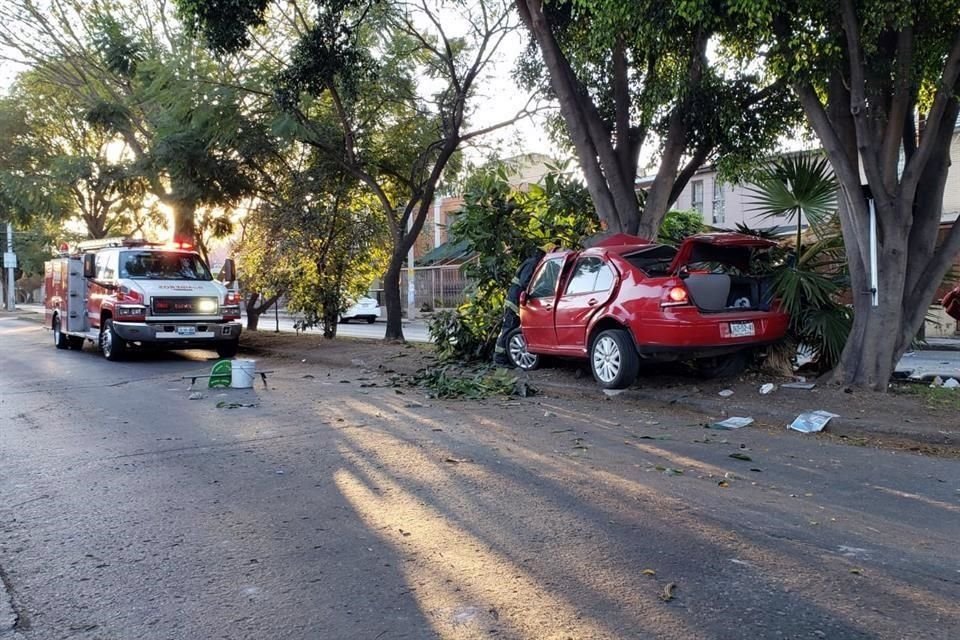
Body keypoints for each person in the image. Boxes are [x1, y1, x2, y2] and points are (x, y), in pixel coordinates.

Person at [493, 242, 555, 366]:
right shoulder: (532, 263)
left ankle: (507, 357)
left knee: (512, 329)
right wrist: (535, 291)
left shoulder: (534, 262)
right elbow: (525, 282)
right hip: (515, 301)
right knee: (509, 328)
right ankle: (500, 359)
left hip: (519, 300)